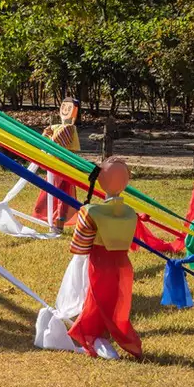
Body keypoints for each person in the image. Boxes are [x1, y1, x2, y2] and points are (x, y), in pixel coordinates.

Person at [37, 156, 145, 360]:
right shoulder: (131, 213)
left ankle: (94, 336)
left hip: (97, 262)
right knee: (114, 301)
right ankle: (105, 336)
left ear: (100, 180)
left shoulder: (90, 212)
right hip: (122, 264)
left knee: (95, 300)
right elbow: (131, 242)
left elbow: (79, 245)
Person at [37, 98, 84, 230]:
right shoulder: (56, 127)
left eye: (70, 107)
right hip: (54, 166)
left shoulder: (69, 128)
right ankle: (49, 218)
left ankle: (59, 222)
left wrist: (48, 137)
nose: (66, 109)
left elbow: (57, 143)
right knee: (51, 192)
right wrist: (47, 135)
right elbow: (44, 140)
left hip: (64, 167)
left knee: (63, 195)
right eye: (64, 106)